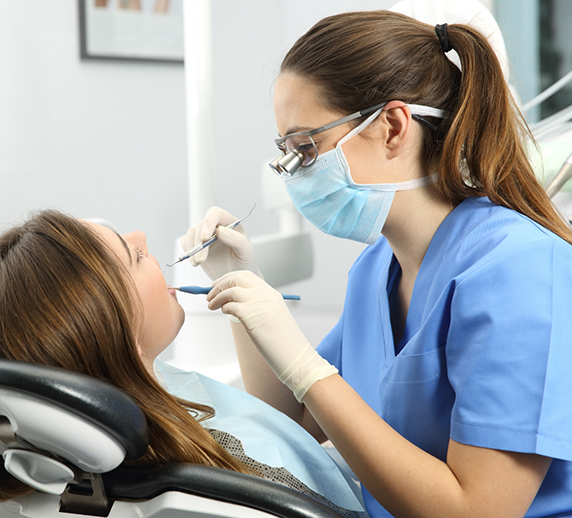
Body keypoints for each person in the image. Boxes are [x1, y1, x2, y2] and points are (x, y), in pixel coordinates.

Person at [181, 10, 572, 518]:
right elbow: (294, 414)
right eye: (285, 152)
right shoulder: (373, 271)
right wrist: (241, 286)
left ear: (392, 126)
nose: (291, 174)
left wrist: (305, 365)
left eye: (305, 148)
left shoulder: (519, 268)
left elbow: (478, 510)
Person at [0, 209, 363, 516]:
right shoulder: (234, 480)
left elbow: (275, 421)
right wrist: (306, 369)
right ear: (123, 344)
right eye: (132, 256)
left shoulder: (87, 437)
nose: (141, 235)